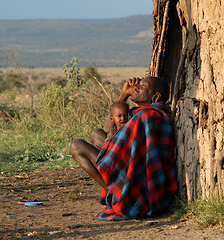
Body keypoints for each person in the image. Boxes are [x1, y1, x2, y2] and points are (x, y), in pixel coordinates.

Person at [70, 76, 177, 220]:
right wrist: (124, 95)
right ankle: (117, 191)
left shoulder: (147, 115)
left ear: (155, 96)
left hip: (139, 179)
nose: (136, 87)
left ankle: (119, 195)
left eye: (143, 86)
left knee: (77, 146)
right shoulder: (141, 112)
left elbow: (122, 146)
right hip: (132, 164)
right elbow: (109, 130)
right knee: (96, 134)